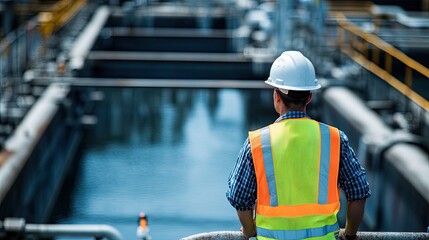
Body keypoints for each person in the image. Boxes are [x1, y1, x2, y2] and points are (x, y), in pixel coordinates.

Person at [226, 51, 370, 240]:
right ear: (309, 97)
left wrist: (249, 230)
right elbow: (358, 192)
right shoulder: (335, 139)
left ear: (276, 96)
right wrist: (349, 233)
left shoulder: (257, 143)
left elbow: (240, 198)